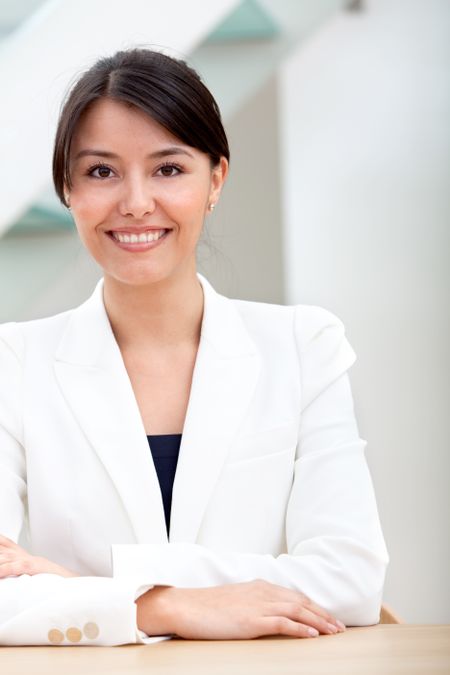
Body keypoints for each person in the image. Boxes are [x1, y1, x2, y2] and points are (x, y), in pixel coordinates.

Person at [0, 48, 388, 646]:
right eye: (101, 171)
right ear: (67, 190)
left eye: (168, 169)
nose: (134, 202)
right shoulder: (14, 362)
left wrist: (101, 584)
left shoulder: (303, 346)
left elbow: (351, 579)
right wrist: (165, 608)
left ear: (216, 180)